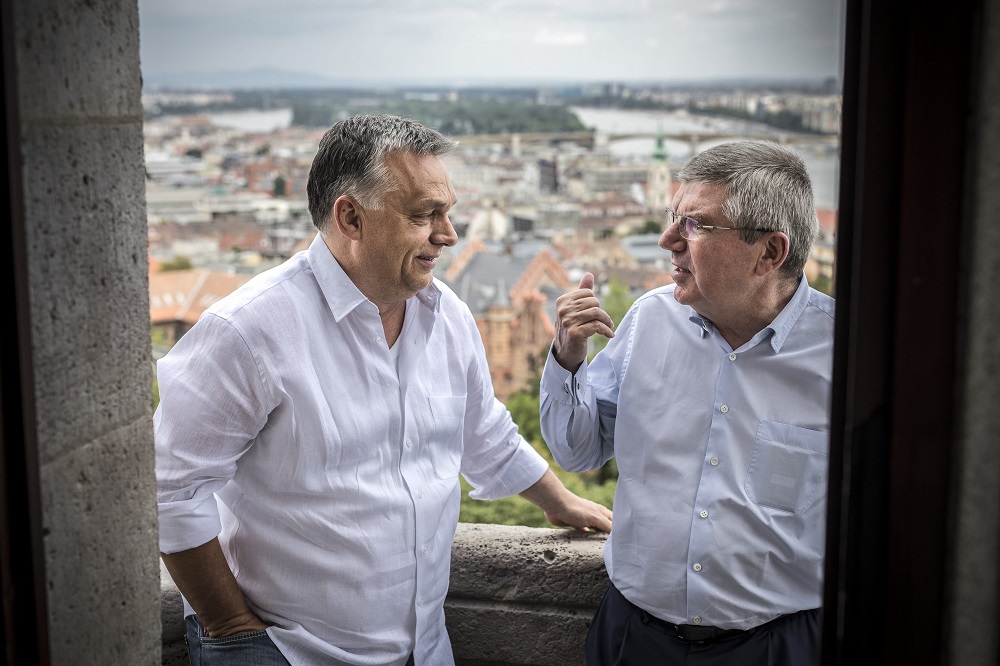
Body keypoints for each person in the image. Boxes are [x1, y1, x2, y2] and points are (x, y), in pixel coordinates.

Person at [155, 114, 612, 666]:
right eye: (424, 215)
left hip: (425, 649)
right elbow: (171, 489)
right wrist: (231, 627)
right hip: (292, 651)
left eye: (447, 212)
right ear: (350, 216)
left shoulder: (448, 316)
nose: (448, 234)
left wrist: (561, 501)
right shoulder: (249, 330)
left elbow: (482, 431)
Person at [540, 141, 834, 665]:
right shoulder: (649, 320)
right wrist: (567, 357)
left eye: (696, 225)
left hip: (777, 647)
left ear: (770, 252)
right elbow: (577, 450)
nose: (667, 240)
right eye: (673, 218)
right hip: (633, 638)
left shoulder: (844, 354)